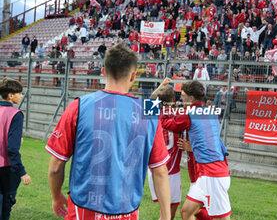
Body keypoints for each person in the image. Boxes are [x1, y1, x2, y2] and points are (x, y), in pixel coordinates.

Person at [46, 43, 171, 220]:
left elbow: (55, 166)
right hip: (126, 209)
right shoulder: (149, 112)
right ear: (133, 76)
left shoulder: (78, 106)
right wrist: (165, 216)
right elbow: (160, 171)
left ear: (103, 72)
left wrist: (56, 196)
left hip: (83, 209)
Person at [161, 80, 231, 220]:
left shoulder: (189, 114)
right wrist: (193, 147)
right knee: (186, 212)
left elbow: (166, 123)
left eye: (183, 95)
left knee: (221, 217)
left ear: (191, 98)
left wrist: (160, 104)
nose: (181, 98)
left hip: (213, 174)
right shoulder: (211, 113)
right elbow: (214, 141)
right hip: (210, 172)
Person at [148, 80, 183, 220]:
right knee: (169, 213)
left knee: (164, 211)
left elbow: (151, 98)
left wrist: (161, 85)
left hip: (155, 169)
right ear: (173, 99)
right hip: (171, 170)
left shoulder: (151, 112)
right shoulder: (178, 113)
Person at [0, 78, 31, 220]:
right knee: (5, 208)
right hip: (6, 169)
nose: (21, 96)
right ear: (10, 95)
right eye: (19, 93)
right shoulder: (15, 114)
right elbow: (12, 149)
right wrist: (22, 172)